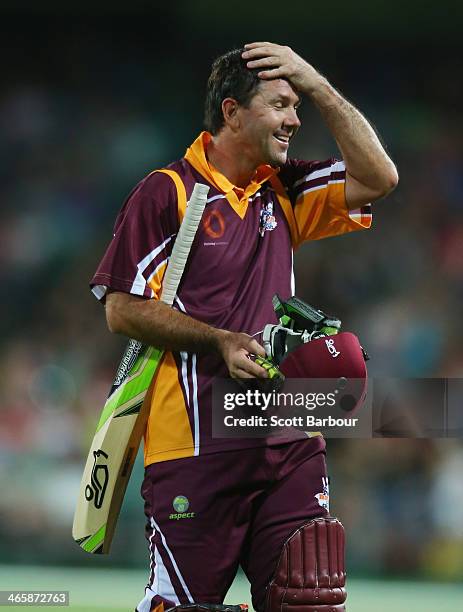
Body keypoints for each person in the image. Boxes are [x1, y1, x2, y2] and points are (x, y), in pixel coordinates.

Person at [91, 42, 398, 612]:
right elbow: (122, 308)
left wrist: (319, 84)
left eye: (297, 104)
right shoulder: (168, 192)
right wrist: (219, 339)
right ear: (232, 112)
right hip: (195, 441)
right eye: (281, 104)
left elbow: (380, 177)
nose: (295, 119)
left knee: (311, 594)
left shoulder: (282, 187)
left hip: (287, 431)